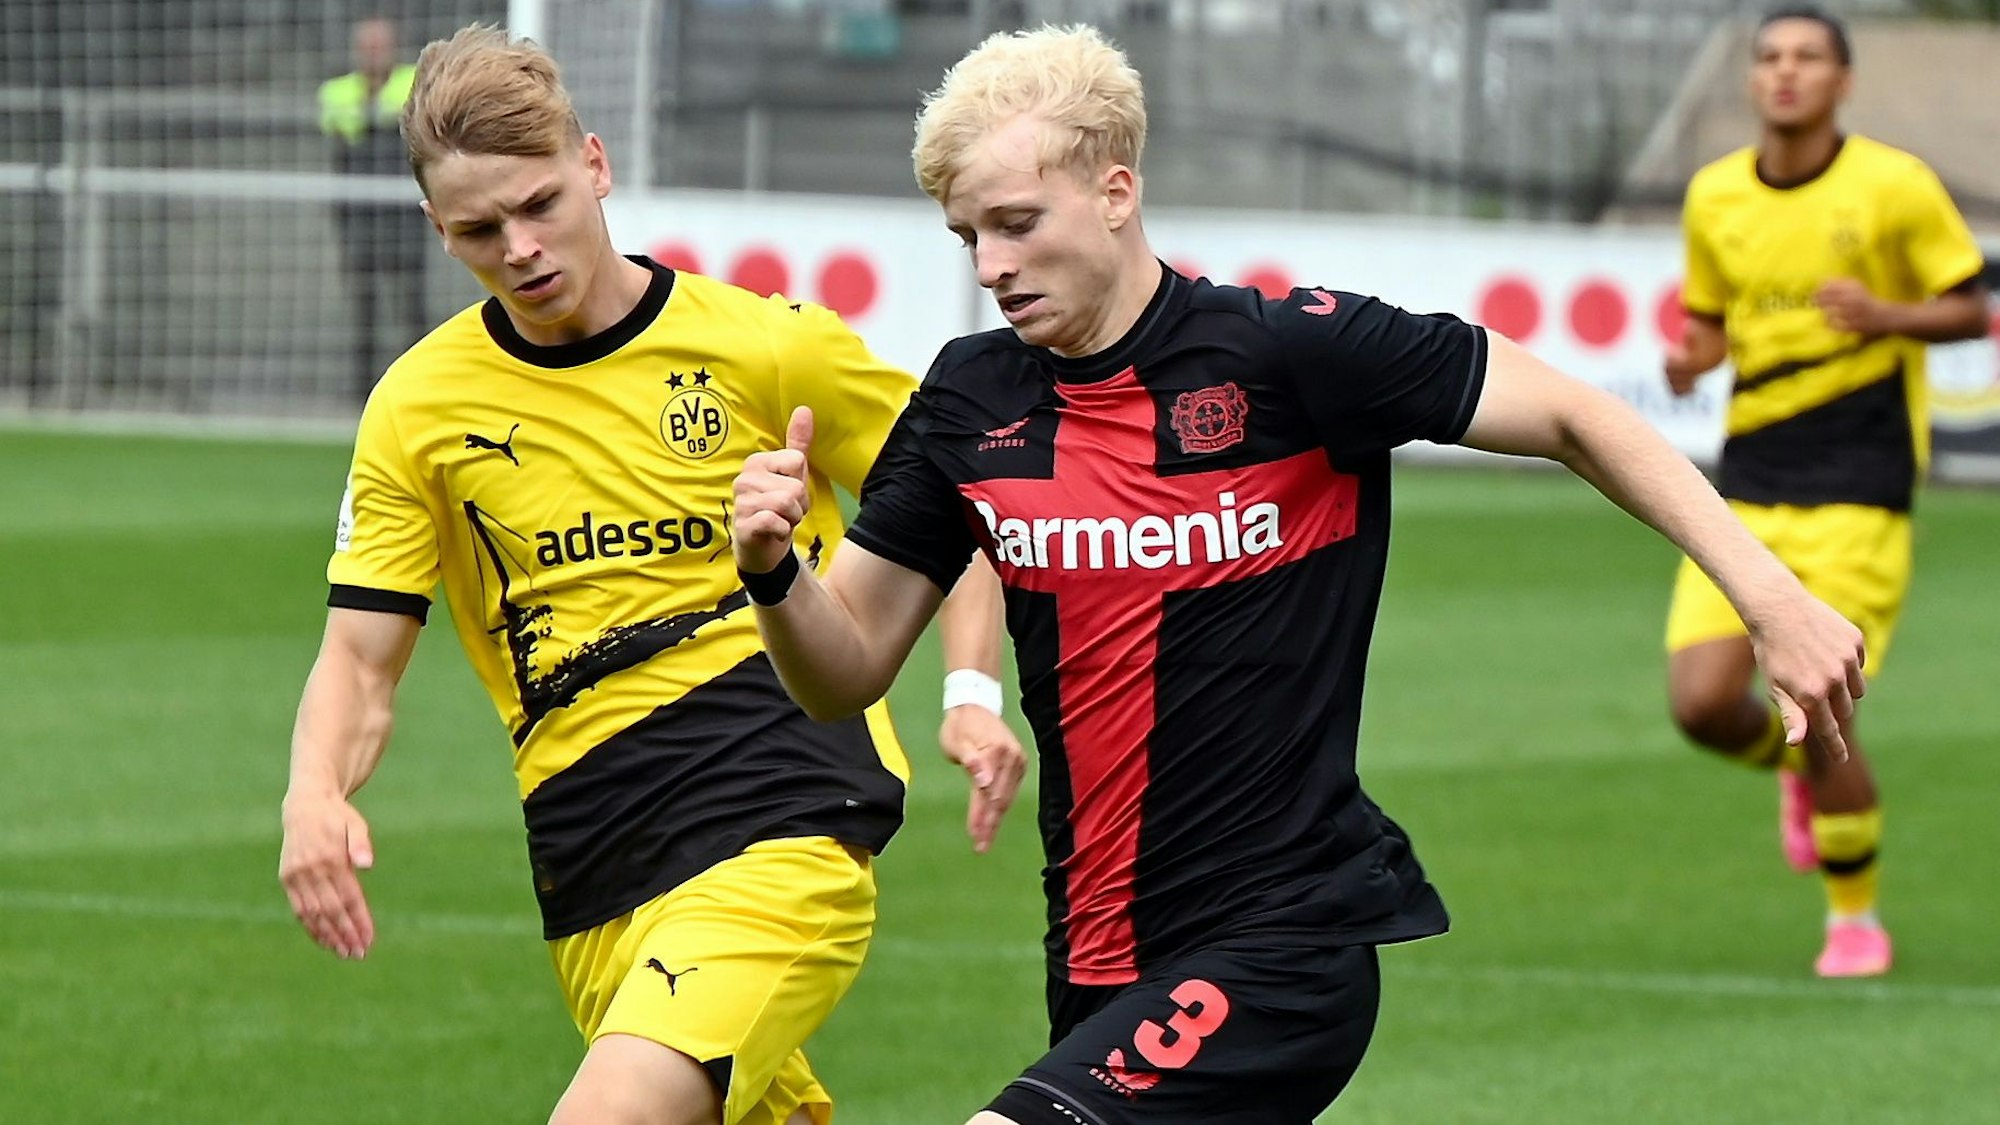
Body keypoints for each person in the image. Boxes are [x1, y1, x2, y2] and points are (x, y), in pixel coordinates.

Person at [729, 23, 1868, 1125]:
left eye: (1016, 224)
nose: (989, 266)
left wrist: (1768, 600)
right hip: (1095, 951)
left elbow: (1575, 414)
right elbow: (846, 672)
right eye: (965, 235)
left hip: (1284, 942)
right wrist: (775, 574)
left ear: (1114, 193)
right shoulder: (970, 400)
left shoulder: (1289, 355)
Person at [278, 23, 1019, 1125]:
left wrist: (968, 694)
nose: (520, 246)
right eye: (480, 229)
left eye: (540, 206)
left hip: (780, 795)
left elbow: (961, 505)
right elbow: (361, 655)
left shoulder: (768, 347)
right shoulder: (416, 409)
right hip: (589, 849)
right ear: (438, 232)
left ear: (594, 165)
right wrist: (312, 791)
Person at [1663, 4, 1988, 978]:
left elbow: (1968, 305)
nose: (1784, 72)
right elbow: (1712, 326)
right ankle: (1796, 775)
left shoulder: (1893, 185)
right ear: (1750, 79)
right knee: (1699, 707)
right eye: (1768, 57)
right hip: (1748, 486)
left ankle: (1854, 921)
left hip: (1859, 485)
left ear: (1841, 80)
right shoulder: (1713, 196)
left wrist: (1885, 312)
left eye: (1807, 57)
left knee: (1820, 708)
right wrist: (1690, 361)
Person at [319, 15, 431, 402]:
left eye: (379, 46)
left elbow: (413, 128)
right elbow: (340, 131)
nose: (373, 54)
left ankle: (418, 381)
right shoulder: (338, 91)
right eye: (367, 47)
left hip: (404, 211)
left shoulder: (413, 82)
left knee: (410, 301)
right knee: (364, 302)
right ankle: (364, 388)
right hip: (359, 212)